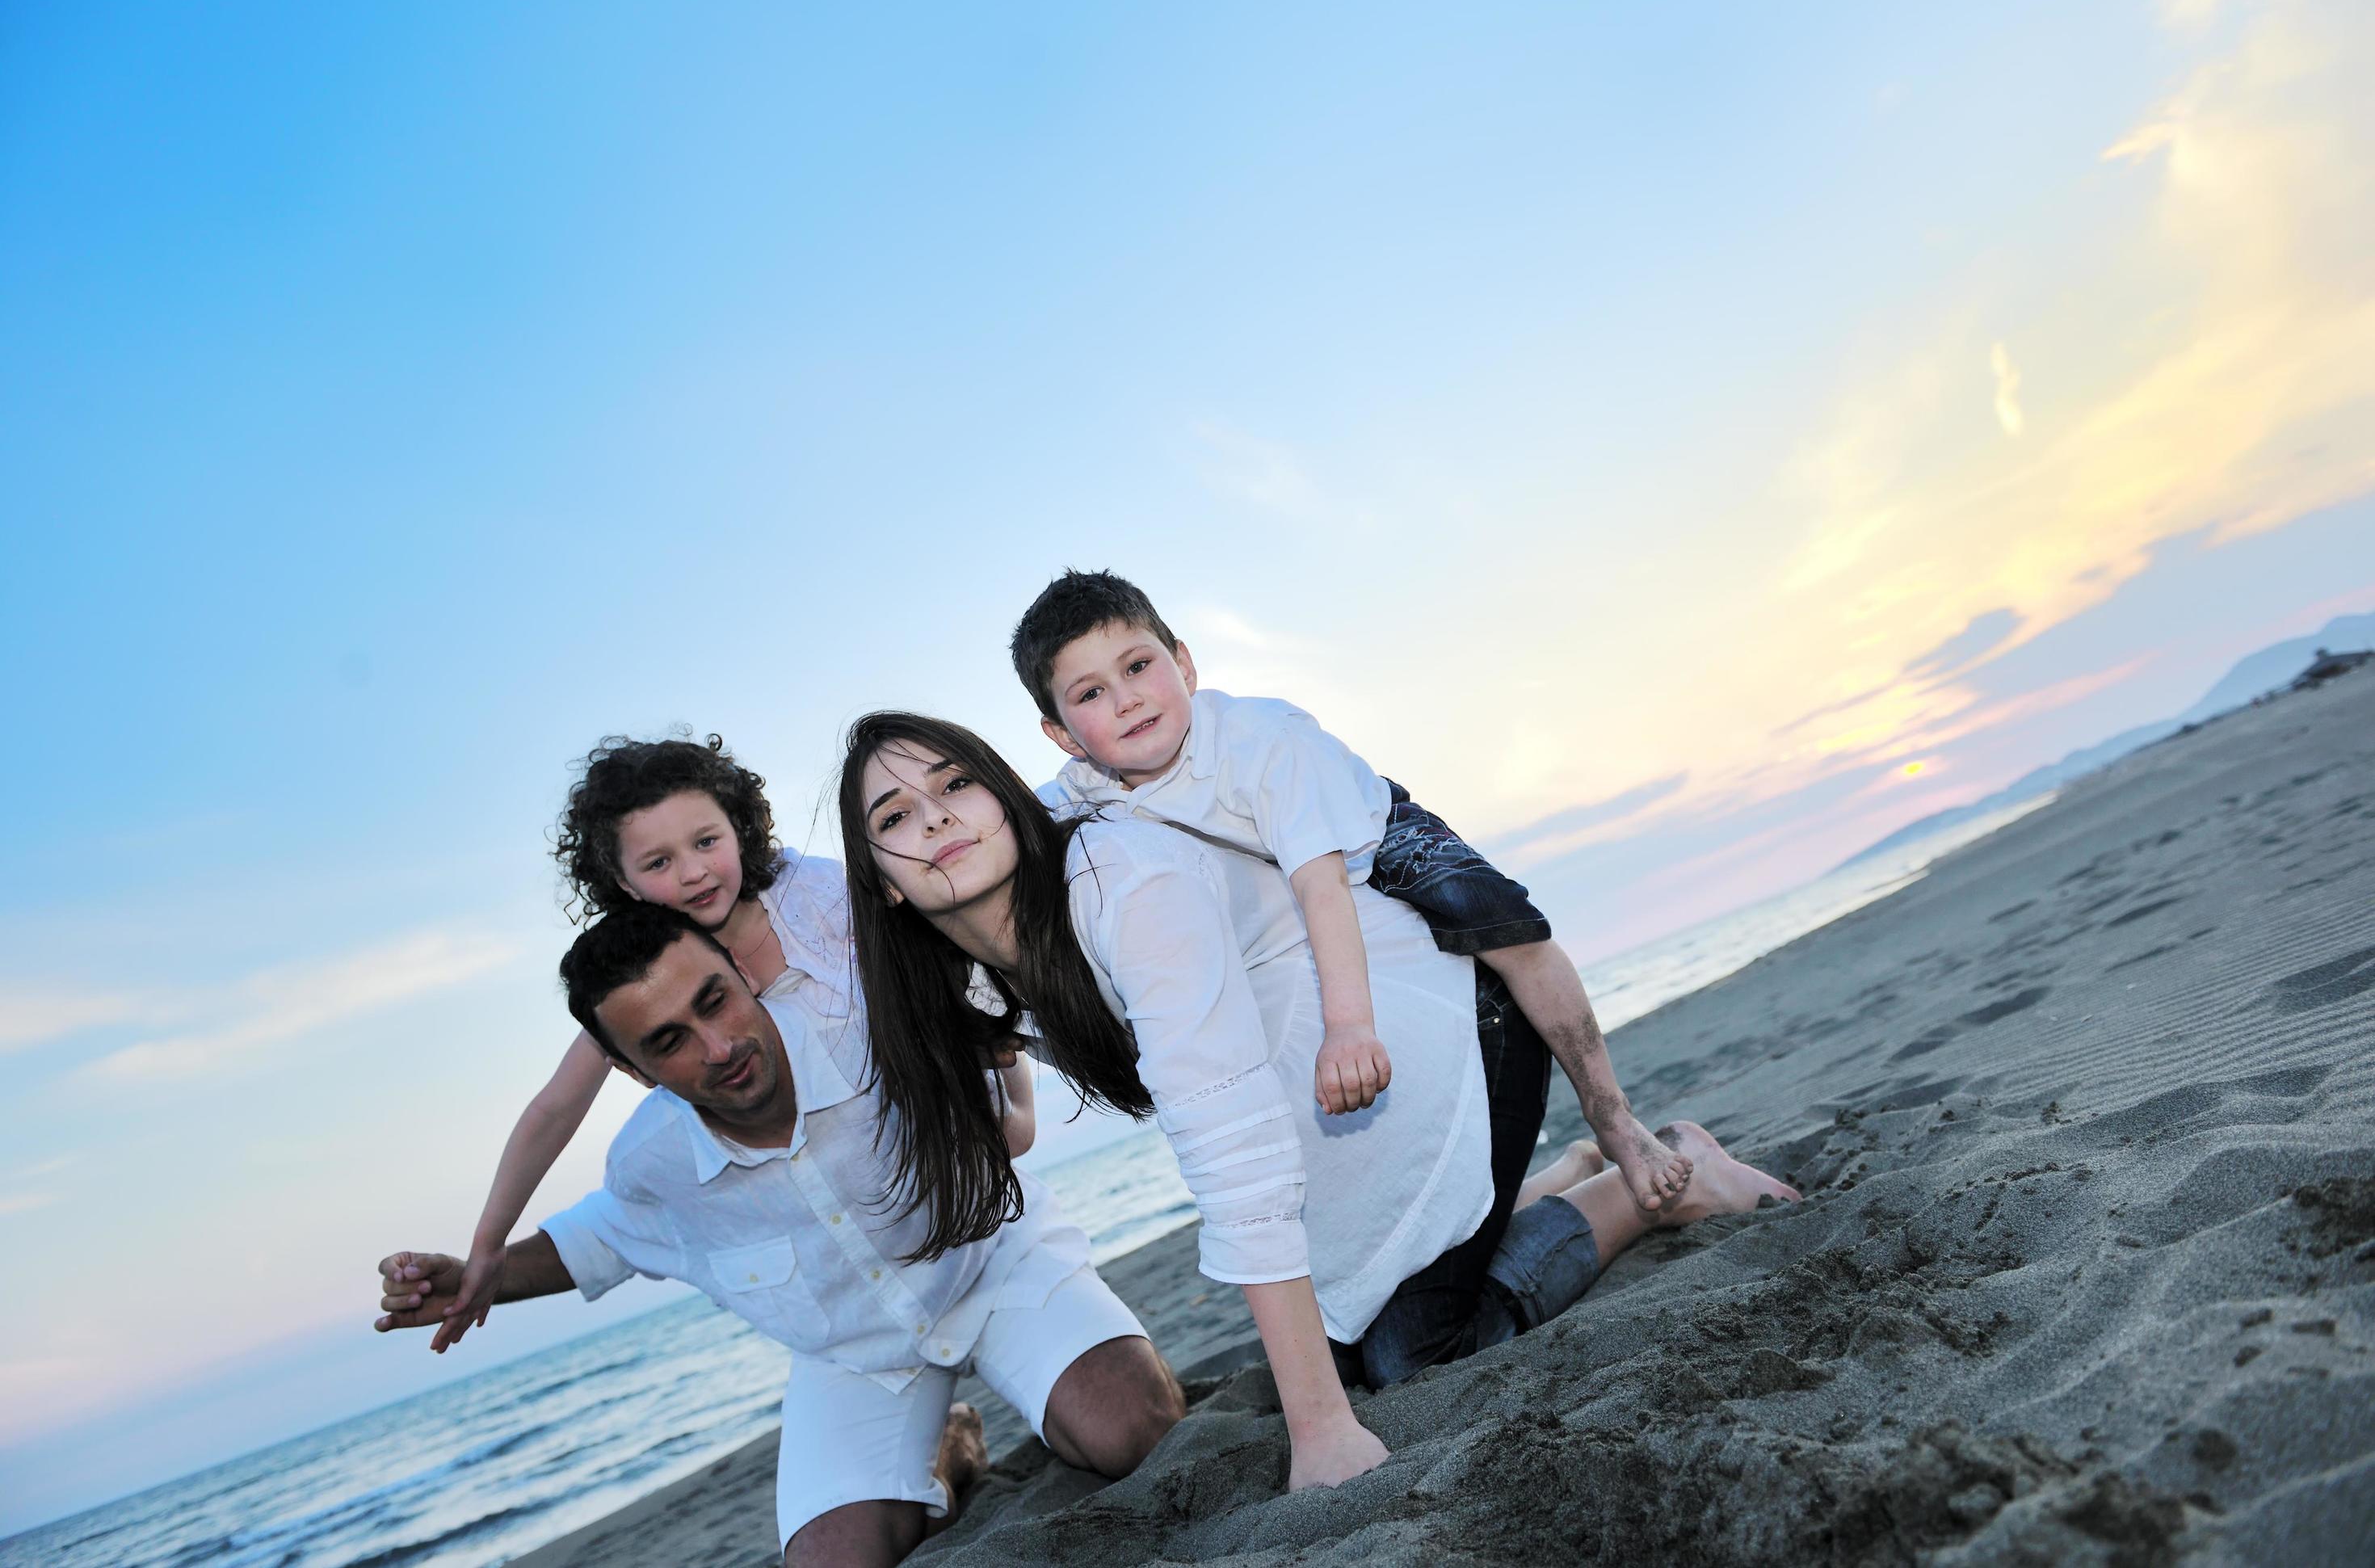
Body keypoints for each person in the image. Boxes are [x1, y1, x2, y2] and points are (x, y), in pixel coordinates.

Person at [835, 712, 1798, 1473]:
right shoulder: (970, 980)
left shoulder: (1121, 885)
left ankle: (1649, 1184)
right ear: (880, 882)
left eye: (955, 782)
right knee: (1347, 1342)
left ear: (1003, 795)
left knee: (1411, 1359)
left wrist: (1320, 1431)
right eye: (893, 817)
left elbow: (1228, 1140)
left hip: (1433, 1025)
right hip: (1330, 1107)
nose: (935, 819)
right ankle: (1547, 1183)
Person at [374, 904, 1183, 1568]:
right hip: (856, 1355)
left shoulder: (869, 1026)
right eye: (668, 1041)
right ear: (633, 1072)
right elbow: (596, 1241)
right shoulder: (651, 1165)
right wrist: (477, 1277)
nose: (717, 1046)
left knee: (1131, 1431)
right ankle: (948, 1450)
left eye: (713, 1000)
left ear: (742, 972)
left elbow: (1010, 1022)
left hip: (993, 1264)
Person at [1008, 570, 1692, 1218]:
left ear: (1184, 664)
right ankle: (1562, 1176)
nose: (1126, 698)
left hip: (1369, 836)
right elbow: (999, 849)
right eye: (1090, 694)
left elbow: (1321, 883)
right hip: (1278, 895)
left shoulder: (1262, 740)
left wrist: (1350, 1030)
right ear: (1063, 735)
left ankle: (1613, 1116)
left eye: (1137, 666)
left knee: (1509, 931)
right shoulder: (1074, 799)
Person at [432, 733, 857, 1350]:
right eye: (658, 863)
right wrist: (488, 1244)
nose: (693, 872)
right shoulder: (653, 981)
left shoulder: (813, 895)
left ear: (739, 827)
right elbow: (553, 1109)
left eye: (706, 841)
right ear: (624, 884)